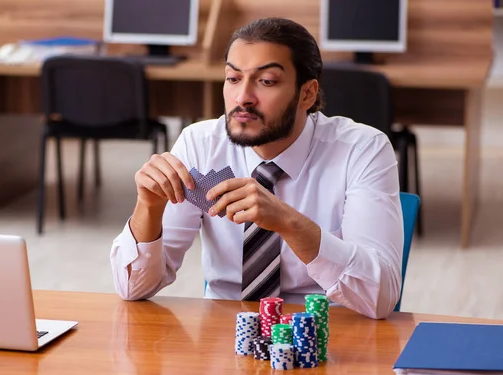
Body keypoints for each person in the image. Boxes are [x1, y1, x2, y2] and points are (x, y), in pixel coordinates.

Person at [110, 17, 403, 320]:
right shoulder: (200, 144)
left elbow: (380, 298)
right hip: (226, 333)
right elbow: (133, 288)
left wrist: (288, 222)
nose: (242, 98)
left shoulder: (362, 149)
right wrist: (148, 207)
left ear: (307, 94)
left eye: (266, 81)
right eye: (233, 78)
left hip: (329, 333)